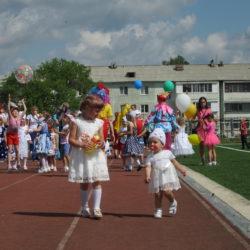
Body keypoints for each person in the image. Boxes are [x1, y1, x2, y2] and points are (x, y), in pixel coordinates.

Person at [68, 95, 109, 219]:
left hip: (96, 156)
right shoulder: (76, 121)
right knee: (85, 182)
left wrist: (101, 143)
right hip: (82, 155)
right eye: (95, 110)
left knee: (97, 181)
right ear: (85, 107)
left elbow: (101, 139)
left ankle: (97, 208)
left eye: (98, 110)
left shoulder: (99, 123)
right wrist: (80, 143)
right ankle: (85, 207)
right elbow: (71, 139)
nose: (97, 113)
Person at [144, 128, 186, 219]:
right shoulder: (150, 157)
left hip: (167, 175)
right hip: (156, 176)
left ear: (162, 144)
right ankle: (158, 209)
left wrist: (181, 169)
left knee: (167, 191)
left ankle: (173, 201)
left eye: (155, 142)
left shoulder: (167, 153)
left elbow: (175, 162)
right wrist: (147, 176)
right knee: (157, 194)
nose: (152, 144)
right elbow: (148, 166)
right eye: (150, 142)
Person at [6, 97, 25, 170]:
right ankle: (9, 165)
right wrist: (9, 101)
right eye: (14, 111)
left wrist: (23, 103)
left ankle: (18, 163)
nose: (15, 112)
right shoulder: (11, 117)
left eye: (16, 111)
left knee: (17, 150)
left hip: (16, 135)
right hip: (10, 135)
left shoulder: (19, 118)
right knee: (10, 150)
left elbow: (25, 110)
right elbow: (8, 109)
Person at [196, 97, 212, 165]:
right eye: (201, 102)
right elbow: (193, 117)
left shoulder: (209, 110)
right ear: (199, 103)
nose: (203, 103)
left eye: (204, 102)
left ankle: (210, 161)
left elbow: (211, 119)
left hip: (207, 129)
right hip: (200, 129)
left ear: (206, 102)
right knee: (201, 146)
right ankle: (203, 160)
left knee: (209, 146)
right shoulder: (198, 110)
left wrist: (206, 121)